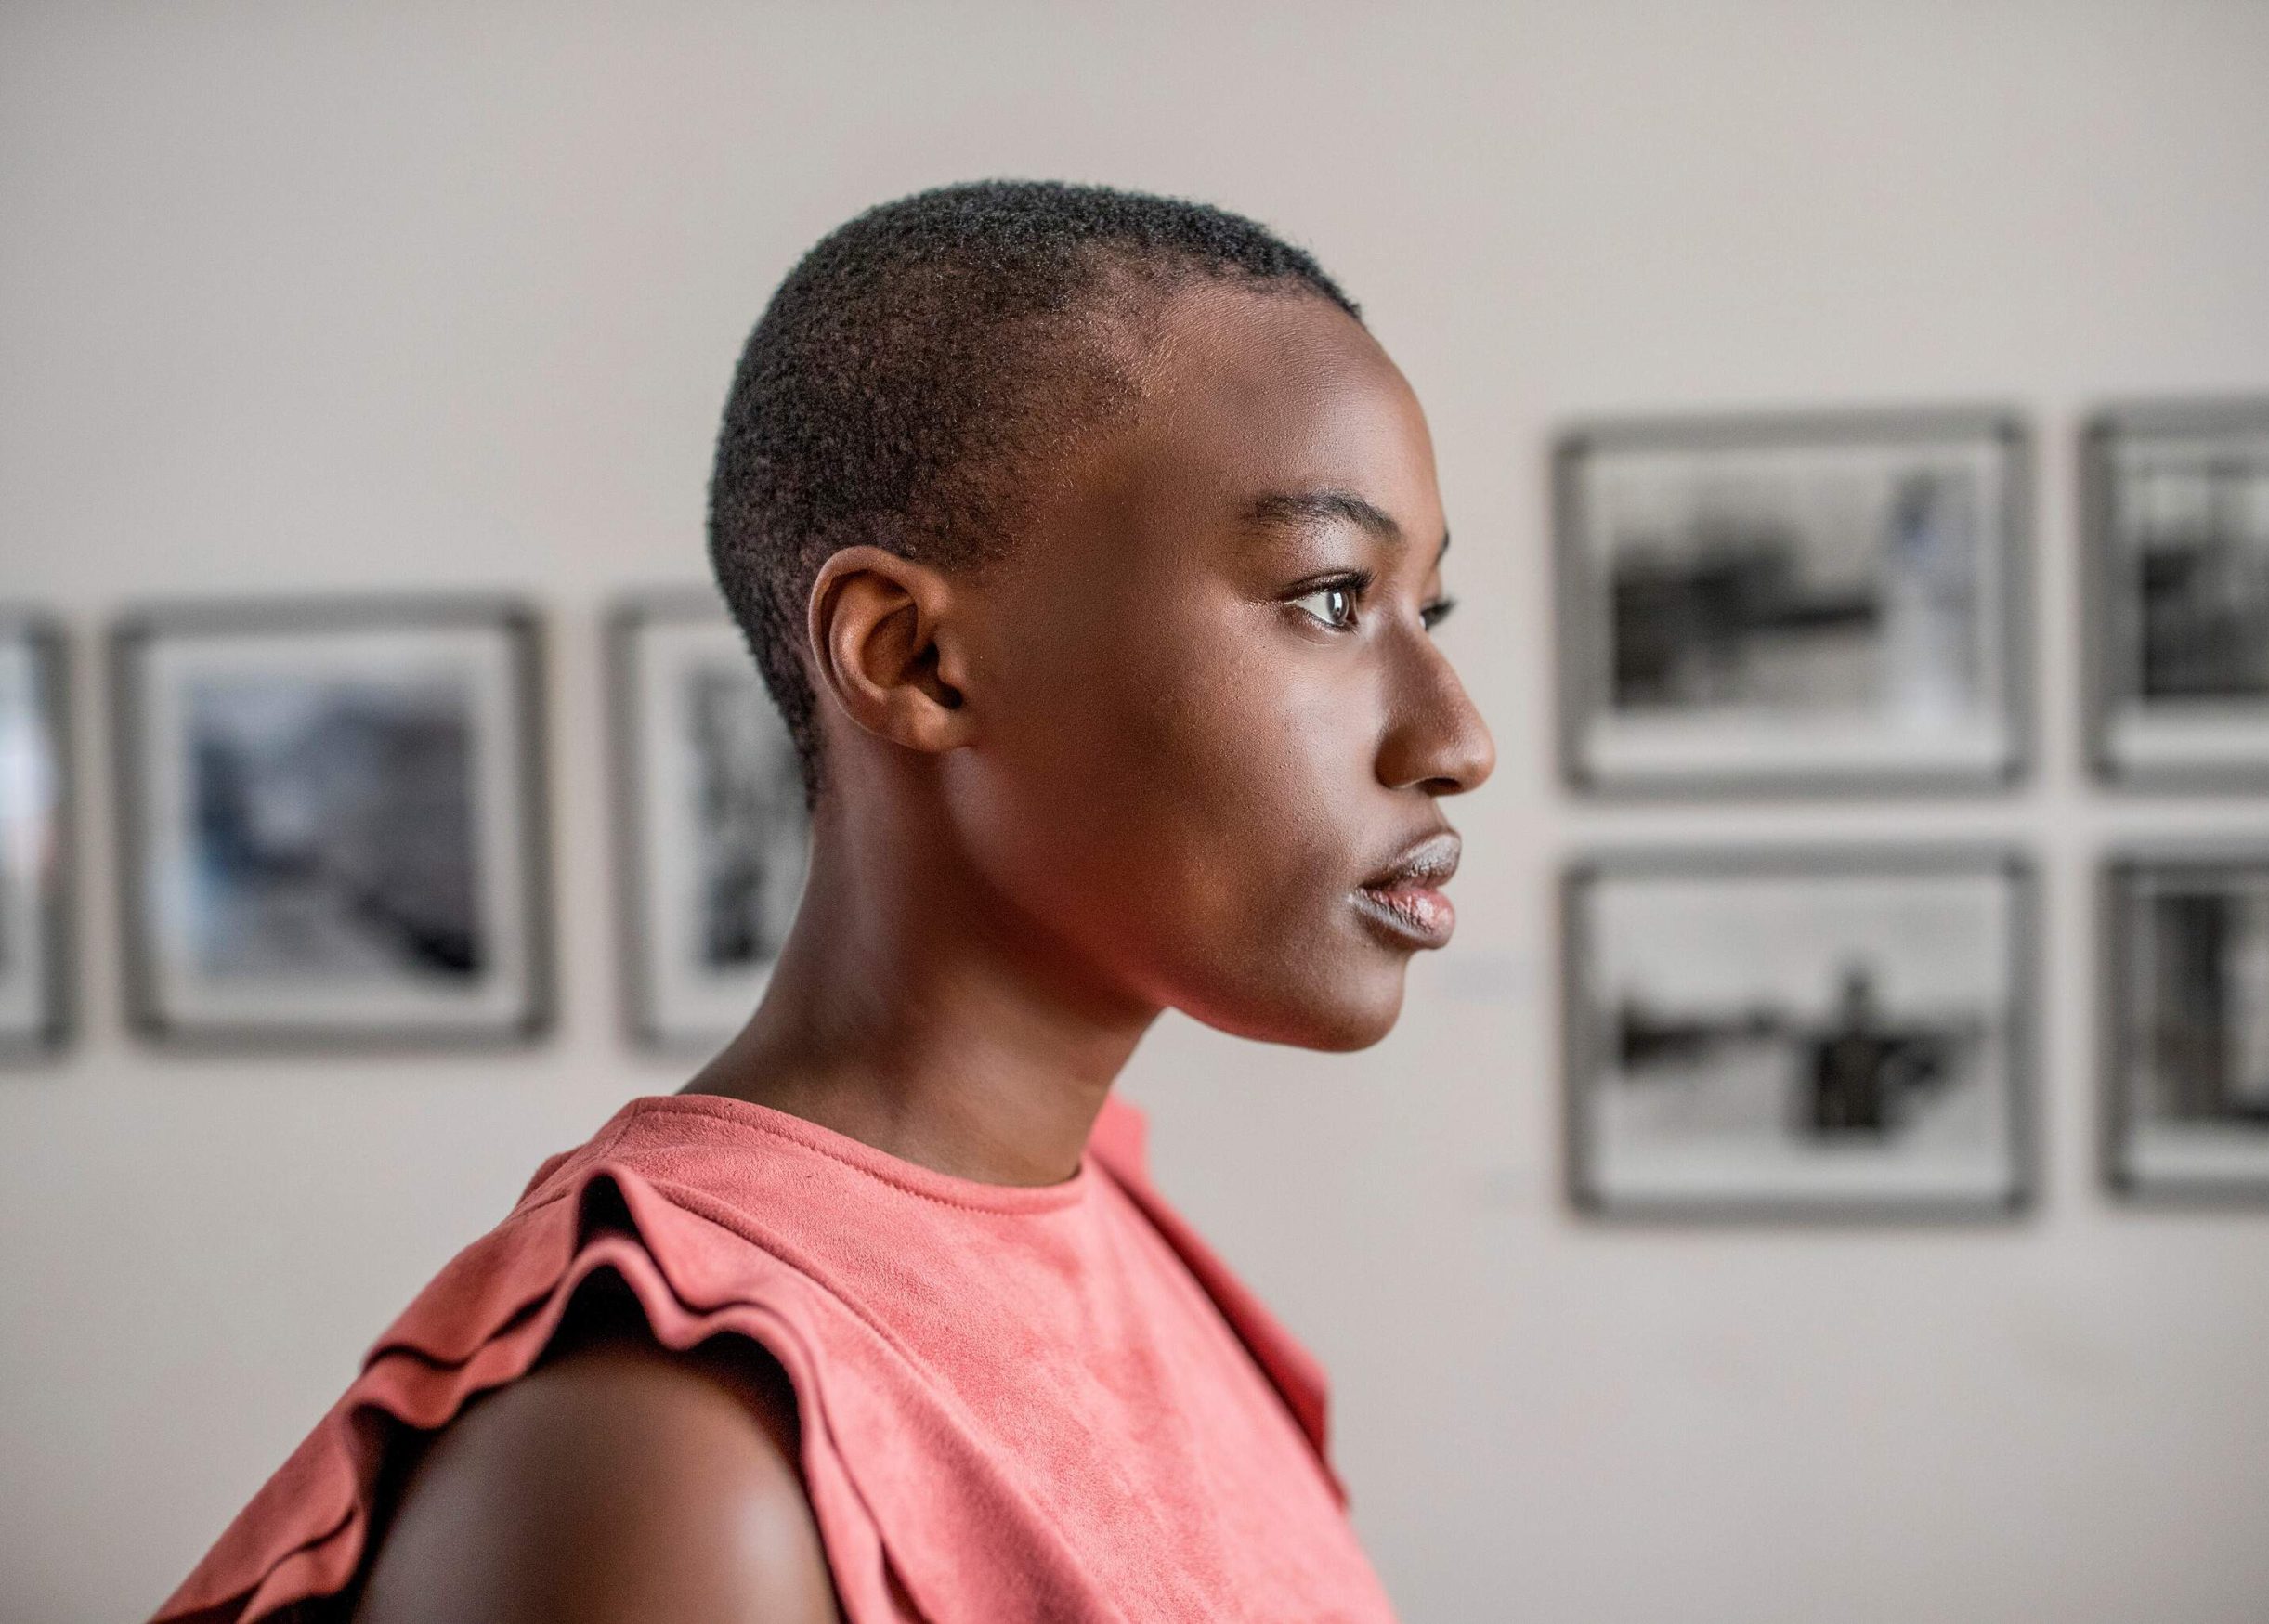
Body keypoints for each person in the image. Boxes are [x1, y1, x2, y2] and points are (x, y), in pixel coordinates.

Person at [155, 179, 1493, 1624]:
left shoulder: (1117, 1228)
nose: (1459, 738)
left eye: (1432, 613)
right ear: (914, 660)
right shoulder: (675, 1460)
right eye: (1330, 596)